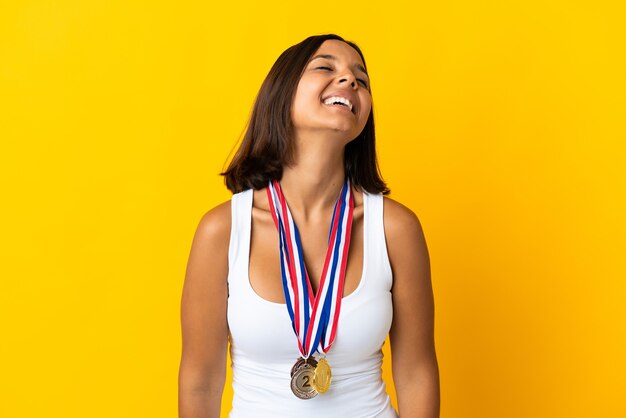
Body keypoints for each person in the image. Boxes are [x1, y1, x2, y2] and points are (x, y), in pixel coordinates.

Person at [178, 33, 440, 418]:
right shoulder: (223, 230)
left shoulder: (395, 228)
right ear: (282, 94)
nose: (350, 81)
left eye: (361, 80)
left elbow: (417, 374)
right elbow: (200, 382)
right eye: (325, 67)